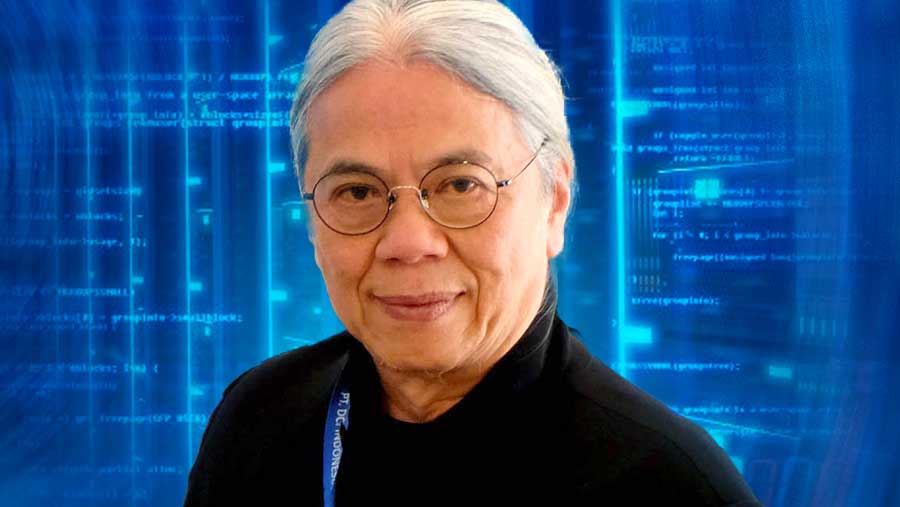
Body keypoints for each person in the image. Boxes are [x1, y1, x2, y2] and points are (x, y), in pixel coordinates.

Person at [184, 1, 764, 505]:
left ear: (555, 202)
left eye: (461, 185)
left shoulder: (672, 485)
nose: (408, 243)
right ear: (312, 221)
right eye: (357, 192)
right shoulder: (258, 420)